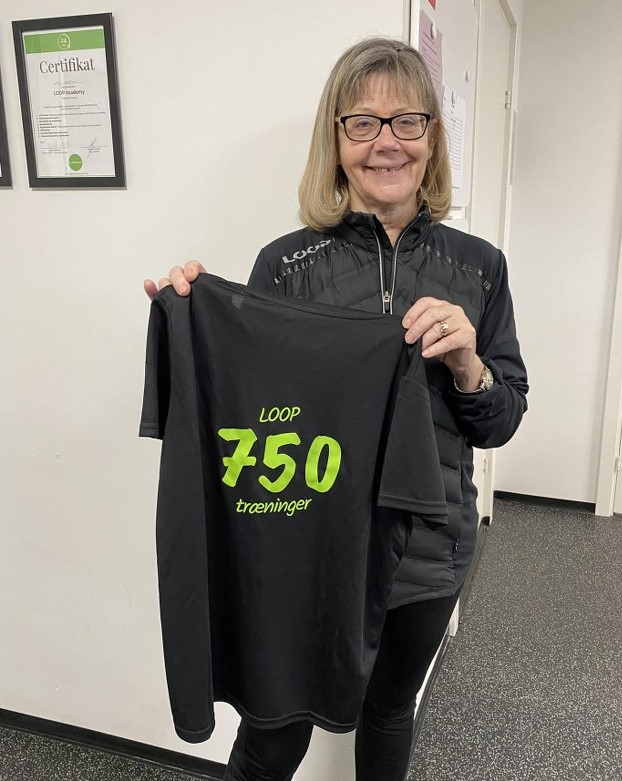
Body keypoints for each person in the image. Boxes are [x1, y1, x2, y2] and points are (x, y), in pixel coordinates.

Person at [144, 37, 527, 781]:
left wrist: (468, 364)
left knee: (389, 711)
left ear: (431, 138)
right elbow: (249, 412)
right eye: (363, 123)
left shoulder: (480, 267)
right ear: (337, 140)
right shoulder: (285, 263)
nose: (387, 142)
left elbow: (503, 418)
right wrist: (196, 320)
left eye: (407, 121)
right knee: (276, 723)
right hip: (309, 546)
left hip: (428, 549)